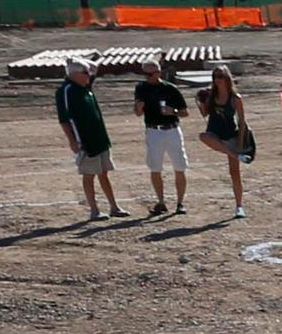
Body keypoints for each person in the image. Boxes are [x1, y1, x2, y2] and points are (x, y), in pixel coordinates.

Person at [54, 58, 121, 221]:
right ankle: (94, 209)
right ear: (75, 74)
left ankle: (114, 206)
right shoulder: (67, 90)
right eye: (85, 73)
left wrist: (74, 60)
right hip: (84, 140)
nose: (89, 76)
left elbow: (95, 67)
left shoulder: (85, 87)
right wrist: (72, 140)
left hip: (100, 138)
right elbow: (64, 119)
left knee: (104, 172)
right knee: (89, 174)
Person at [133, 65, 191, 215]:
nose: (147, 77)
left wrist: (174, 112)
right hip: (153, 131)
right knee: (155, 167)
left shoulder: (170, 89)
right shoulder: (141, 88)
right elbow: (138, 113)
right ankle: (161, 202)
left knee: (179, 166)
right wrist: (139, 107)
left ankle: (180, 202)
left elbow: (185, 112)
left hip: (172, 130)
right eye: (145, 74)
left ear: (158, 73)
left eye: (150, 74)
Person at [199, 65, 255, 220]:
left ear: (227, 78)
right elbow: (204, 114)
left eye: (220, 76)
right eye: (215, 76)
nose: (217, 80)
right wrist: (201, 102)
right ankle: (235, 155)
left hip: (230, 134)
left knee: (234, 173)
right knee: (203, 136)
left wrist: (240, 141)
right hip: (214, 133)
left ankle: (239, 206)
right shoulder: (210, 95)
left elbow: (242, 121)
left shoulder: (235, 98)